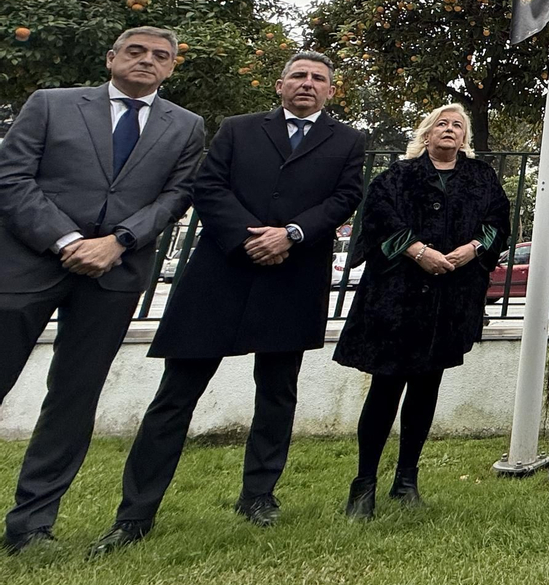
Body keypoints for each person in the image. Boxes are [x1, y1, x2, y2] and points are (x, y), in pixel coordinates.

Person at [89, 51, 366, 555]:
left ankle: (258, 496)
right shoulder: (238, 129)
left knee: (278, 394)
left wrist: (292, 234)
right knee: (175, 396)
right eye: (299, 76)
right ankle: (135, 514)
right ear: (280, 85)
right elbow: (207, 184)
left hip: (293, 276)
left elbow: (345, 197)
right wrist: (247, 237)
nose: (307, 84)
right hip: (220, 275)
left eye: (318, 79)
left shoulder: (348, 141)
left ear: (331, 91)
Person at [0, 28, 205, 555]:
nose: (147, 61)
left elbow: (177, 194)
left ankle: (32, 526)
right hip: (27, 267)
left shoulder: (184, 126)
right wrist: (67, 239)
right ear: (111, 57)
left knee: (73, 398)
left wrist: (119, 241)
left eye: (161, 56)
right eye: (135, 52)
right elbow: (12, 177)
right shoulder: (50, 105)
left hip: (114, 274)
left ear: (172, 68)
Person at [333, 103, 510, 519]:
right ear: (427, 133)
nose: (450, 130)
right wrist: (417, 250)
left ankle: (406, 479)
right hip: (398, 300)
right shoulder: (398, 176)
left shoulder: (481, 178)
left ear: (464, 138)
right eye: (442, 124)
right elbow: (377, 220)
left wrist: (473, 248)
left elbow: (497, 221)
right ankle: (364, 484)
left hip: (450, 301)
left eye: (457, 126)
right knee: (385, 389)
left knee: (427, 388)